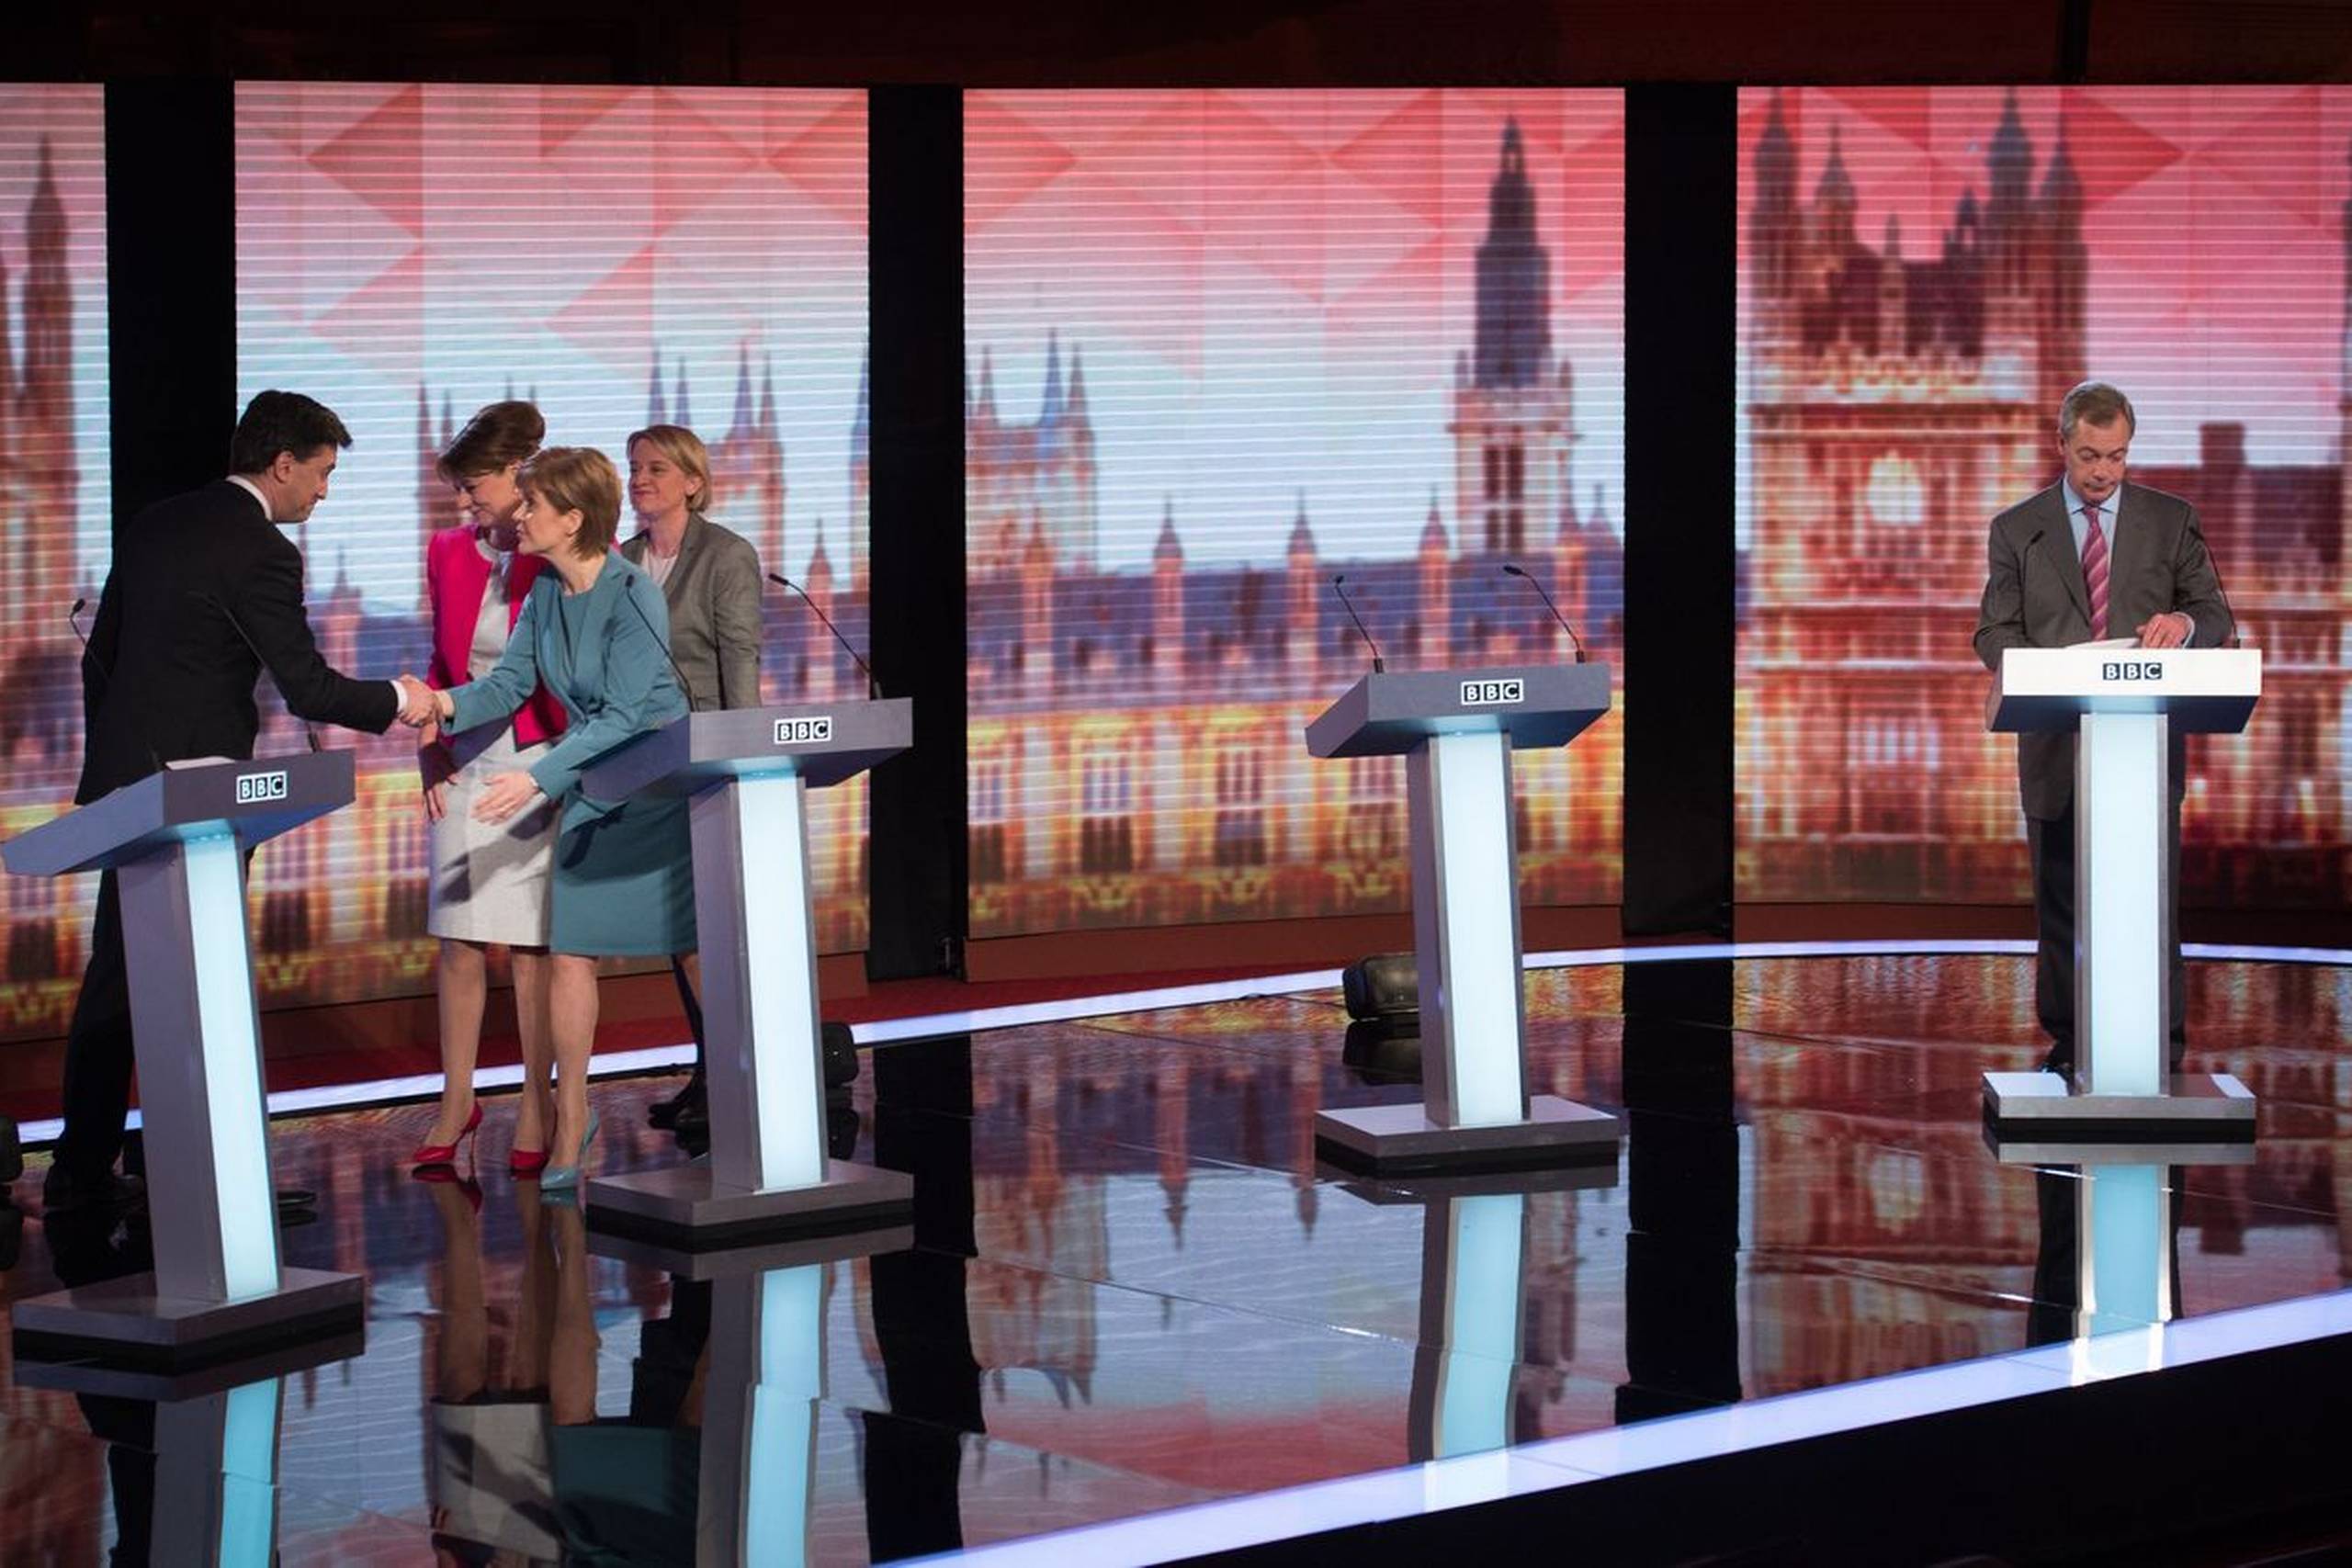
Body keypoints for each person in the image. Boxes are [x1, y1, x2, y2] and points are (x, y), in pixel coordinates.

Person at [51, 390, 415, 1213]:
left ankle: (83, 1169)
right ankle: (211, 1174)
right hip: (202, 804)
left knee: (118, 973)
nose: (323, 492)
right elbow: (309, 688)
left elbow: (96, 661)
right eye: (321, 474)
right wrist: (401, 696)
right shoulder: (264, 552)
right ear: (282, 464)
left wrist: (116, 767)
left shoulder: (154, 523)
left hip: (128, 794)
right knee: (203, 977)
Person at [415, 447, 695, 1191]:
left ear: (573, 519)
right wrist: (443, 705)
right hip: (589, 779)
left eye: (533, 504)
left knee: (685, 949)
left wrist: (538, 776)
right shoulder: (544, 595)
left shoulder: (634, 594)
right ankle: (572, 1116)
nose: (519, 513)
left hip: (652, 787)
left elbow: (630, 714)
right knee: (570, 952)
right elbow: (509, 683)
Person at [1973, 380, 2233, 1077]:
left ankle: (2162, 1047)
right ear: (2062, 445)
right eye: (2089, 455)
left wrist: (2183, 625)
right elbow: (1992, 632)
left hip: (2141, 756)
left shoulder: (2171, 521)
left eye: (2117, 457)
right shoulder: (2016, 529)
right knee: (2061, 905)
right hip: (2056, 749)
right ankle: (2065, 1047)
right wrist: (2038, 670)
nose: (2102, 472)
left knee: (2150, 906)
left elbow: (2215, 616)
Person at [413, 400, 567, 1176]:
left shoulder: (559, 546)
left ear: (517, 475)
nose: (464, 501)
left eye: (474, 485)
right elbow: (442, 668)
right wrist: (429, 750)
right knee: (460, 940)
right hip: (462, 757)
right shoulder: (446, 549)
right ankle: (457, 1099)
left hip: (539, 762)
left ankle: (539, 1103)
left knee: (534, 946)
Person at [618, 424, 763, 1138]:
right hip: (645, 770)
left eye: (654, 468)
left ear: (692, 482)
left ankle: (732, 1073)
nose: (639, 478)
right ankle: (712, 1071)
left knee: (703, 931)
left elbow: (740, 665)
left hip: (706, 764)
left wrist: (747, 764)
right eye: (633, 468)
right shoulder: (620, 561)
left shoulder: (727, 556)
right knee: (680, 929)